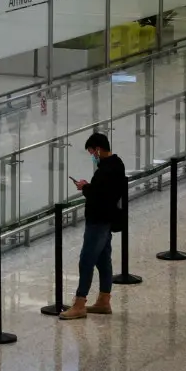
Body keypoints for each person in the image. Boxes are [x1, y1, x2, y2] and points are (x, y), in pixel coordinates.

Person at [61, 132, 127, 320]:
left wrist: (85, 187)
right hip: (107, 220)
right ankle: (104, 300)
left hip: (98, 221)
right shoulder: (116, 164)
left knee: (87, 260)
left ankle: (80, 303)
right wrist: (90, 187)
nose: (92, 155)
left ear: (98, 149)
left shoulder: (105, 170)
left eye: (91, 151)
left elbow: (100, 196)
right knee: (103, 259)